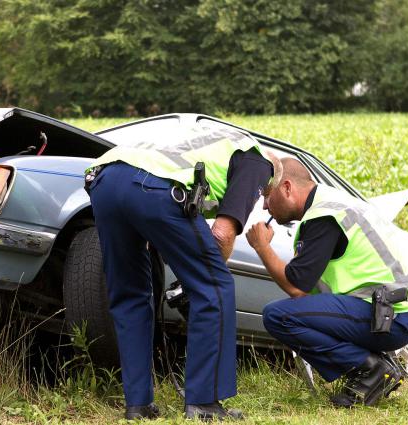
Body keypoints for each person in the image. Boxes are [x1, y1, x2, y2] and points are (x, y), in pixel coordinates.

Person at [86, 126, 274, 420]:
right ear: (278, 179)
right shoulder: (259, 162)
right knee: (214, 288)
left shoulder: (203, 141)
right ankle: (204, 403)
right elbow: (223, 235)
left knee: (130, 295)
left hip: (104, 180)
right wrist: (198, 280)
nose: (262, 200)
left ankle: (139, 405)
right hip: (154, 185)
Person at [245, 158, 408, 407]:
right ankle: (375, 368)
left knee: (278, 316)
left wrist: (262, 247)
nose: (266, 207)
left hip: (392, 316)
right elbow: (307, 292)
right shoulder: (331, 204)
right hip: (394, 310)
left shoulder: (324, 216)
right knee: (295, 312)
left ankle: (371, 370)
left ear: (287, 188)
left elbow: (296, 287)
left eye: (268, 197)